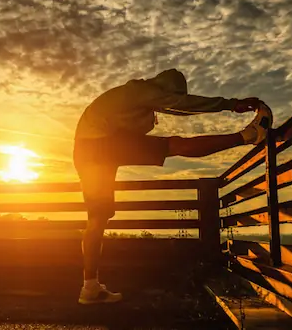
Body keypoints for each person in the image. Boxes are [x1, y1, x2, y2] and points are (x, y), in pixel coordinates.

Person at [73, 68, 273, 305]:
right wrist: (232, 104)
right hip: (102, 145)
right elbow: (186, 105)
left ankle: (90, 288)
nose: (167, 107)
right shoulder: (143, 91)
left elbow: (175, 108)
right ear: (167, 89)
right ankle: (250, 135)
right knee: (176, 146)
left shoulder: (131, 95)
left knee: (98, 218)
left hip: (86, 150)